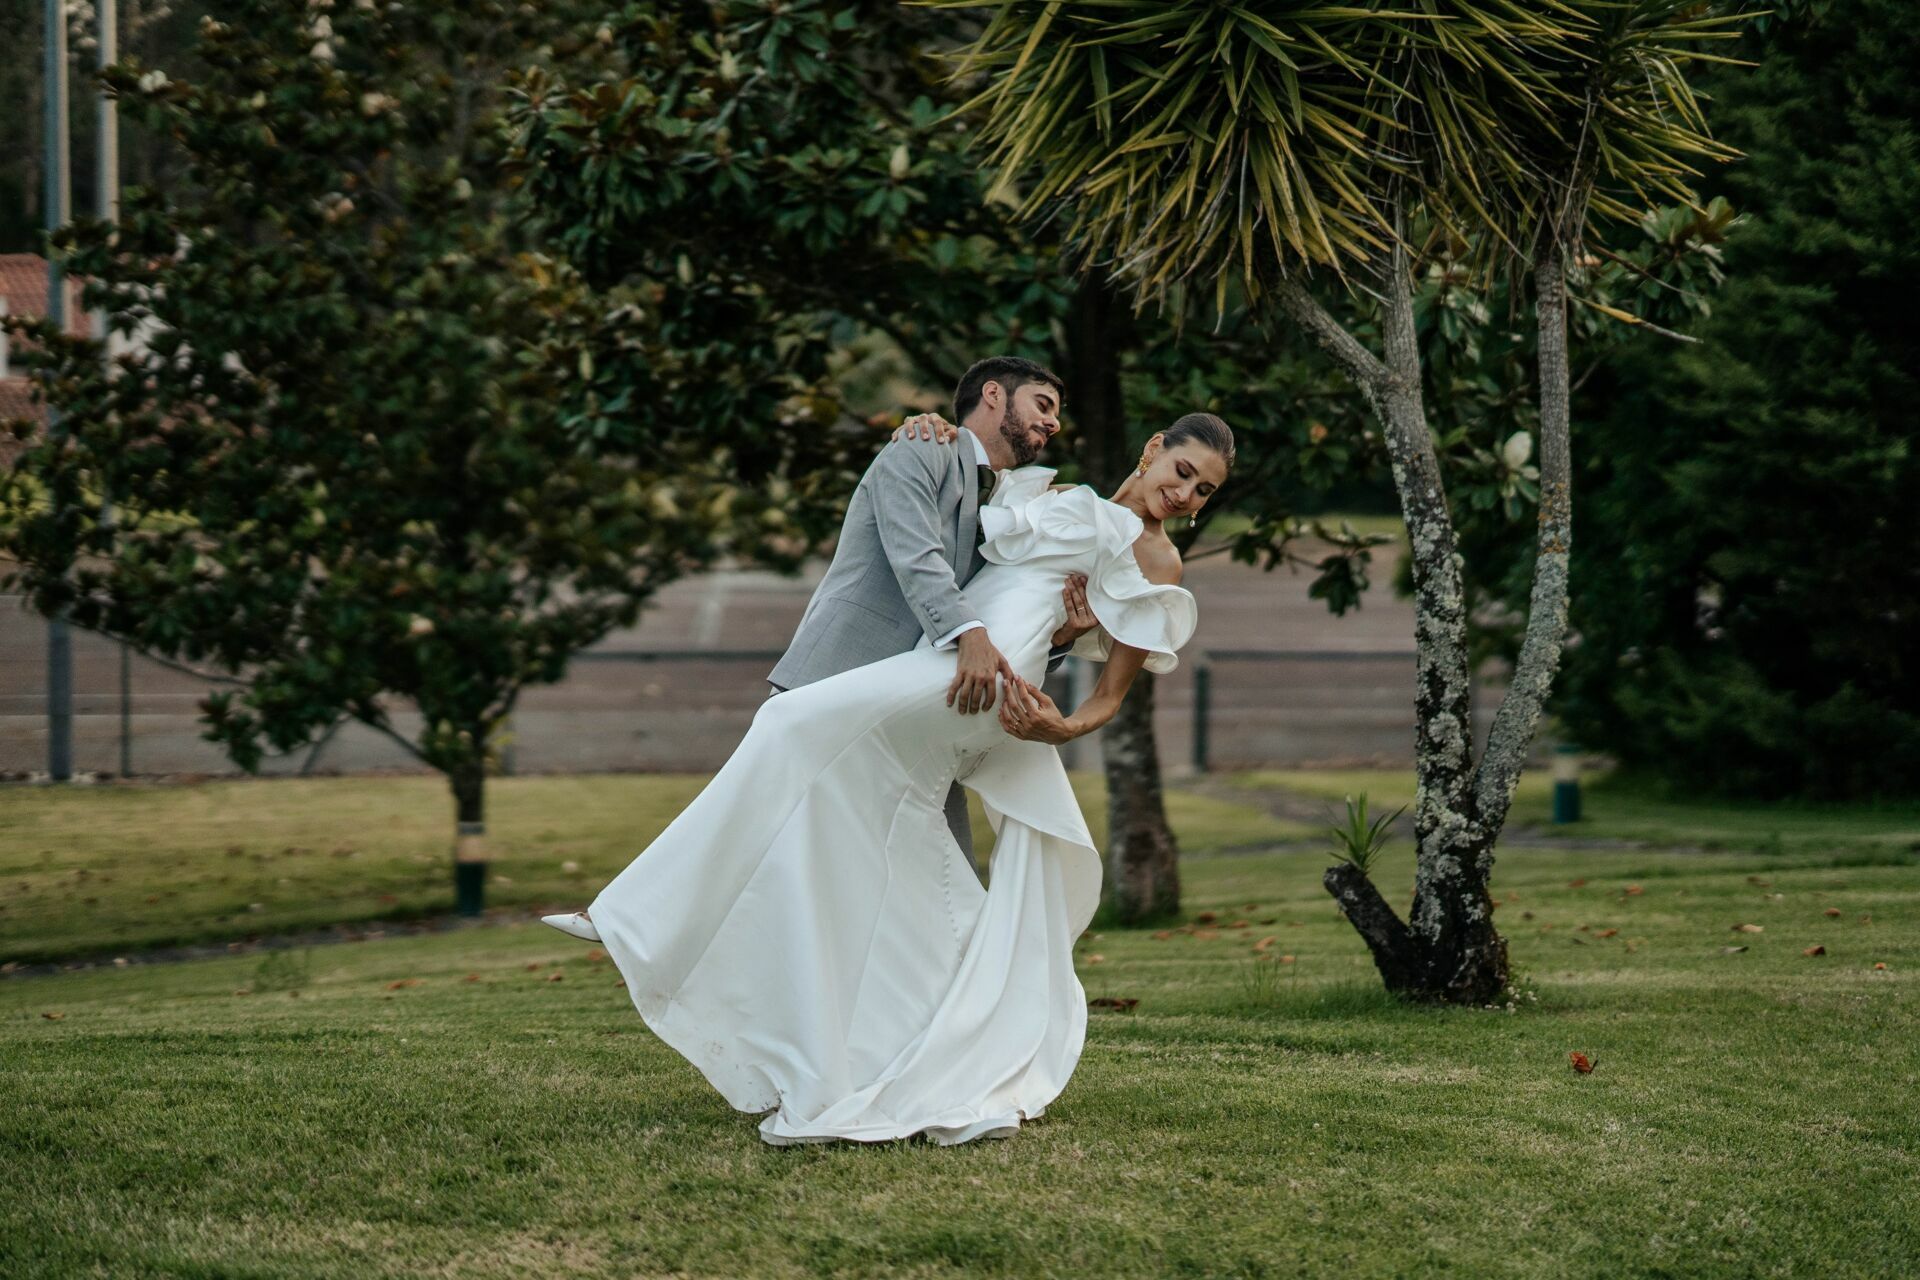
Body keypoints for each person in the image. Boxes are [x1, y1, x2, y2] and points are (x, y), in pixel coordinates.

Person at [545, 410, 1235, 1146]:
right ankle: (926, 1057)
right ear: (1154, 450)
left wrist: (1062, 727)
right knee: (887, 850)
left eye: (1204, 492)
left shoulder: (1159, 562)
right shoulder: (1056, 495)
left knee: (788, 725)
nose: (1186, 494)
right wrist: (928, 420)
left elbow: (1109, 699)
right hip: (943, 663)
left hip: (983, 687)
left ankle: (637, 917)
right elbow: (972, 544)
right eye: (1183, 471)